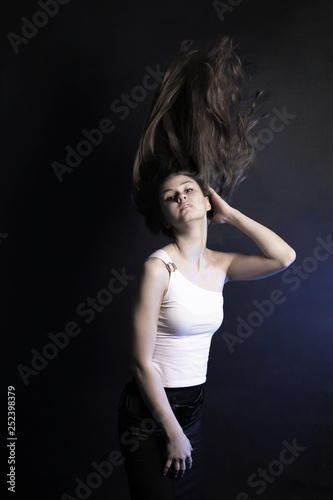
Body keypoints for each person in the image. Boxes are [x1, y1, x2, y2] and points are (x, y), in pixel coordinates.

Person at [117, 36, 296, 500]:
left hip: (192, 410)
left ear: (205, 199)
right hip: (152, 415)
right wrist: (172, 431)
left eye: (189, 190)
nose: (181, 198)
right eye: (170, 197)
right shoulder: (159, 268)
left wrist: (231, 214)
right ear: (164, 214)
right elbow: (141, 362)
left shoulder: (220, 265)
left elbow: (285, 258)